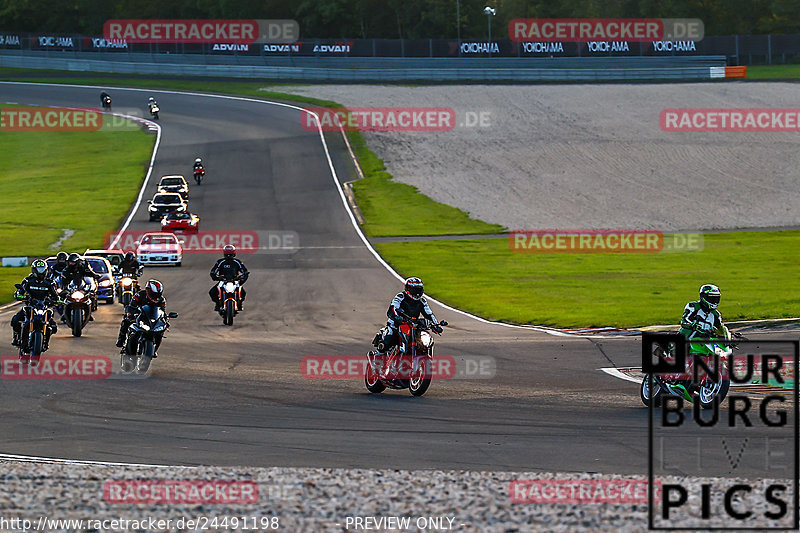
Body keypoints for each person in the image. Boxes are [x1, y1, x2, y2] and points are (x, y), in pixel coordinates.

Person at [373, 277, 443, 357]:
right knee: (389, 338)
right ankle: (378, 358)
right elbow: (393, 308)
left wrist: (436, 325)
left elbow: (429, 314)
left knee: (425, 342)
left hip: (414, 326)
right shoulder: (400, 297)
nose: (417, 293)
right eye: (415, 290)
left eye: (419, 289)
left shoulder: (422, 301)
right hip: (397, 323)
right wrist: (396, 317)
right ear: (408, 289)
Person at [11, 260, 60, 347]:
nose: (41, 273)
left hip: (43, 307)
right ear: (34, 270)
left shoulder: (50, 282)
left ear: (45, 270)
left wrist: (58, 300)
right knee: (15, 320)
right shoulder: (28, 280)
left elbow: (55, 295)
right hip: (30, 306)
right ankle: (16, 337)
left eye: (42, 270)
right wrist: (19, 295)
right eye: (38, 270)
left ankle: (45, 343)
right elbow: (20, 291)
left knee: (53, 326)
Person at [116, 279, 167, 353]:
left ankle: (154, 349)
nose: (156, 296)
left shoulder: (161, 300)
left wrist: (165, 320)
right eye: (154, 294)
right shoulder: (139, 295)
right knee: (126, 321)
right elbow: (131, 306)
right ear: (148, 290)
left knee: (161, 330)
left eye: (157, 294)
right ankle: (121, 339)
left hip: (151, 320)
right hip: (138, 316)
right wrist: (130, 314)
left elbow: (162, 312)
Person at [209, 245, 249, 311]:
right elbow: (214, 271)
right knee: (212, 292)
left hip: (234, 280)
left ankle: (239, 304)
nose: (228, 256)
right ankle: (218, 304)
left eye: (230, 254)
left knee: (242, 292)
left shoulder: (237, 262)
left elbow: (244, 271)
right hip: (223, 281)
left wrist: (242, 278)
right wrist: (215, 277)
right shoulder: (220, 262)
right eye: (227, 254)